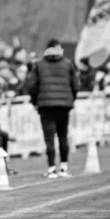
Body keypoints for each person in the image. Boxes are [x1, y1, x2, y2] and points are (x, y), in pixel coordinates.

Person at [26, 39, 79, 179]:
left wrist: (35, 102)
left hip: (45, 106)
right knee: (63, 136)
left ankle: (51, 169)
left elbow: (32, 86)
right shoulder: (68, 64)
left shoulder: (39, 65)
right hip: (64, 106)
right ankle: (64, 168)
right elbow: (76, 85)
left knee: (49, 139)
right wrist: (70, 100)